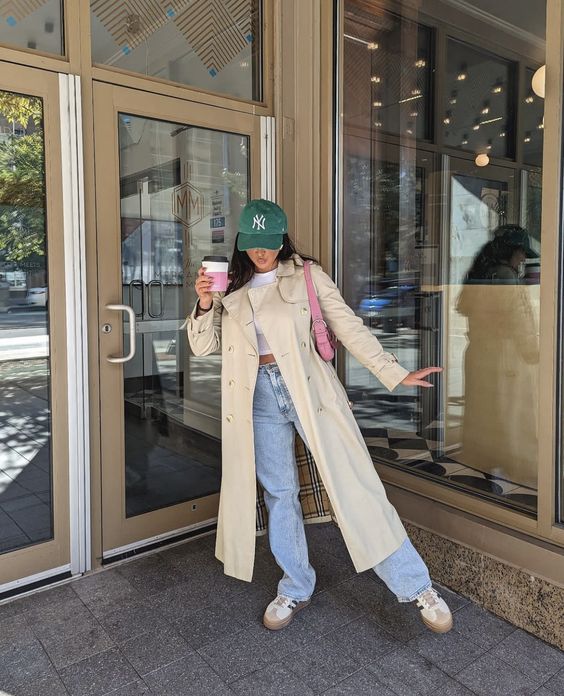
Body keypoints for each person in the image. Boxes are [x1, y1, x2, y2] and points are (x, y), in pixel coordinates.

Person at [187, 199, 452, 633]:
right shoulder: (228, 285)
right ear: (242, 241)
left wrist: (395, 371)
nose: (261, 253)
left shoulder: (306, 274)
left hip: (311, 394)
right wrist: (202, 304)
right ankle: (295, 584)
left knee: (356, 486)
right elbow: (203, 347)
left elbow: (348, 326)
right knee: (280, 493)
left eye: (269, 244)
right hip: (257, 398)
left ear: (282, 238)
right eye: (254, 245)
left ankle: (417, 587)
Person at [457, 224, 539, 489]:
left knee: (482, 413)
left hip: (479, 353)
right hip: (507, 357)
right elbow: (520, 323)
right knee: (514, 415)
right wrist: (534, 352)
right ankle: (521, 472)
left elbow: (462, 307)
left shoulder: (479, 273)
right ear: (511, 251)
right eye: (520, 252)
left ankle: (480, 463)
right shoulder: (507, 278)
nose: (524, 258)